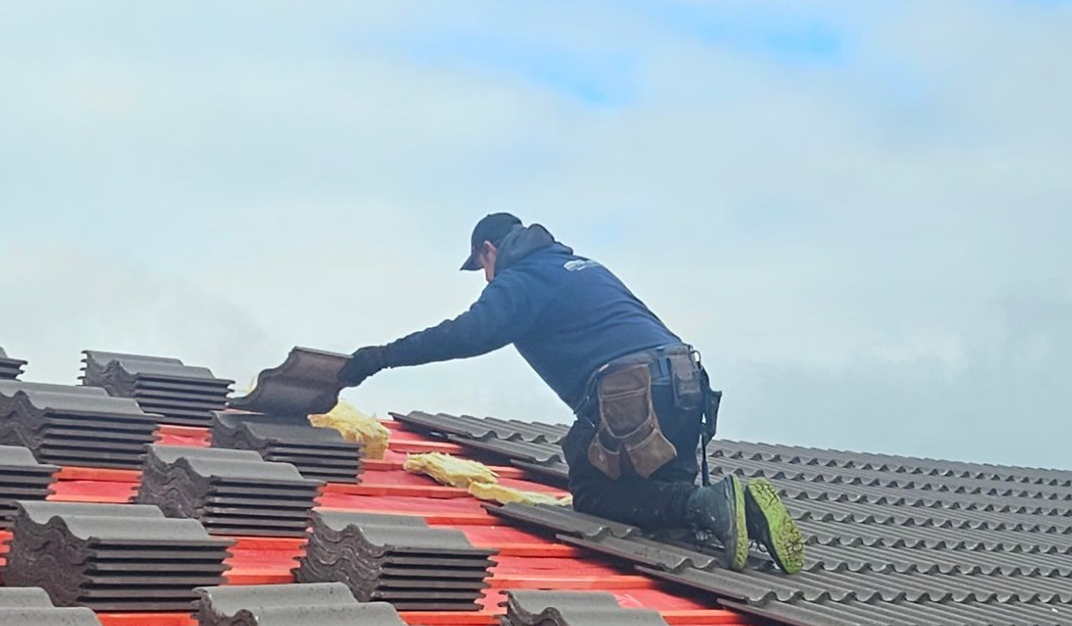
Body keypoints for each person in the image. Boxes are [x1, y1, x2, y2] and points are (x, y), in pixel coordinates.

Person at [335, 212, 804, 573]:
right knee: (661, 503)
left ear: (489, 251)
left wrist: (381, 357)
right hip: (686, 385)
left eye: (481, 267)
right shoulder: (584, 269)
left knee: (595, 496)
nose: (486, 278)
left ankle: (708, 503)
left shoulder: (521, 280)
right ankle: (736, 509)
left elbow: (467, 334)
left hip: (633, 394)